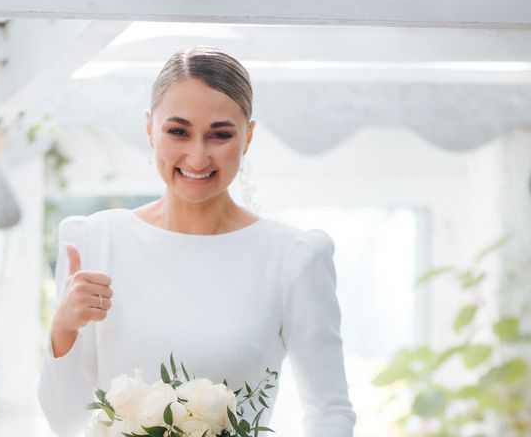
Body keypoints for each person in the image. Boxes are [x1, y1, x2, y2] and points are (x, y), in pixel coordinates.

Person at [37, 46, 356, 436]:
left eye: (219, 135)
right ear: (149, 128)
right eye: (178, 131)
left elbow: (329, 411)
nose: (198, 157)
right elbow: (67, 420)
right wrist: (64, 327)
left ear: (248, 136)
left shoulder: (293, 258)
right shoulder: (92, 241)